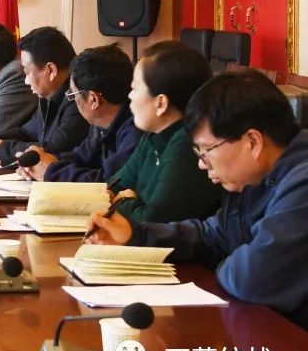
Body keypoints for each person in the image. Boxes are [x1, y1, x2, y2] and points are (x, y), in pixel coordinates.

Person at [86, 70, 308, 329]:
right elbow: (213, 236)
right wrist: (136, 235)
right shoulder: (253, 178)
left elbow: (251, 278)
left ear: (252, 141)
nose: (202, 164)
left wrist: (228, 259)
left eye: (206, 151)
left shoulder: (302, 183)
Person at [108, 41, 221, 223]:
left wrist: (123, 201)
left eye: (135, 88)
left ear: (160, 103)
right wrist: (127, 200)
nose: (129, 96)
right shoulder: (153, 135)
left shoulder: (186, 143)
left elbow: (152, 220)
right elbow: (112, 188)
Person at [24, 44, 141, 182]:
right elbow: (79, 157)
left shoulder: (135, 132)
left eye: (73, 94)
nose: (73, 100)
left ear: (93, 99)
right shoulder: (99, 125)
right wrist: (40, 162)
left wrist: (51, 171)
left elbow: (109, 182)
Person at [0, 26, 88, 164]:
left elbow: (50, 151)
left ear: (51, 70)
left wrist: (1, 148)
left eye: (27, 73)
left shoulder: (78, 100)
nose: (26, 81)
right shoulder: (48, 96)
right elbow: (26, 132)